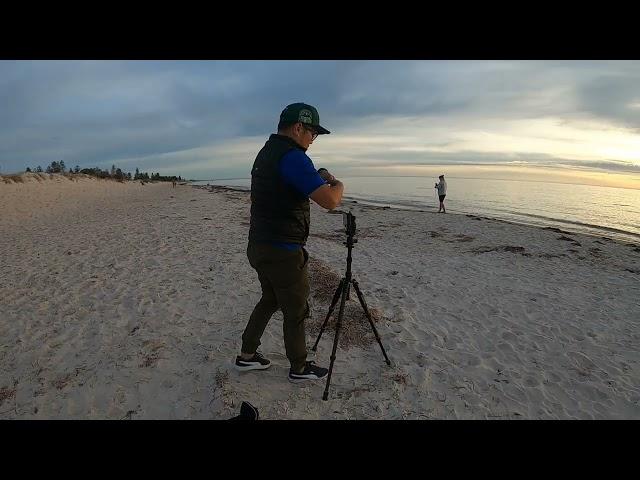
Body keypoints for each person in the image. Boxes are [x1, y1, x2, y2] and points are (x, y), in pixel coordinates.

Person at [236, 102, 344, 383]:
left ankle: (246, 356)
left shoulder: (266, 153)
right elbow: (330, 201)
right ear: (298, 128)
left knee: (270, 299)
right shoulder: (293, 157)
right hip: (282, 249)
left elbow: (280, 190)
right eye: (312, 133)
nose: (312, 139)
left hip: (258, 243)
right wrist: (336, 182)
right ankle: (299, 367)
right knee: (296, 309)